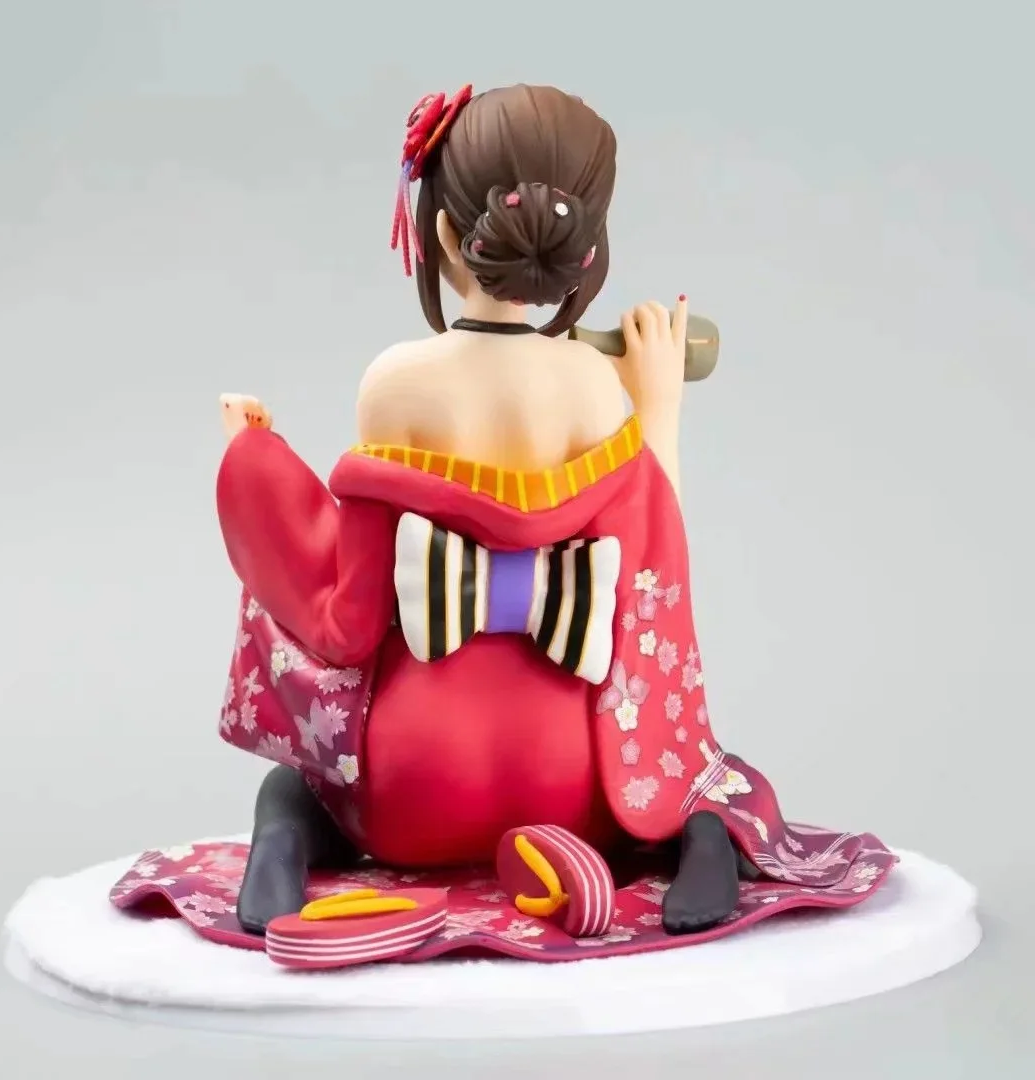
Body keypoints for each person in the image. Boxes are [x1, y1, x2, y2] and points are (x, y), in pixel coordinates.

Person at [215, 83, 892, 940]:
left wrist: (256, 464)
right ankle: (703, 840)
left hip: (415, 787)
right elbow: (651, 576)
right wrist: (659, 406)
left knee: (295, 784)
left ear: (444, 235)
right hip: (575, 791)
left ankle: (280, 846)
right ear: (582, 251)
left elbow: (347, 617)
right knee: (707, 777)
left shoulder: (393, 385)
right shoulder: (594, 388)